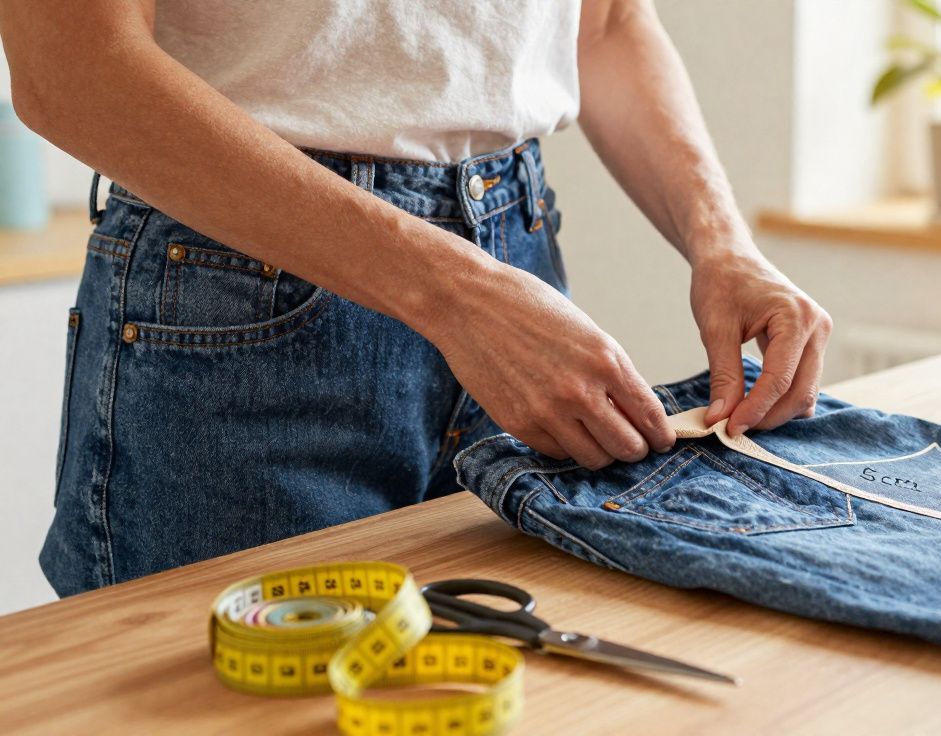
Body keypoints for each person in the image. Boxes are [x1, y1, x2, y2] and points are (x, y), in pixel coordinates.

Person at [0, 0, 831, 596]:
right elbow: (69, 68)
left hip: (517, 250)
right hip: (243, 291)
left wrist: (721, 240)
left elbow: (604, 24)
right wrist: (461, 297)